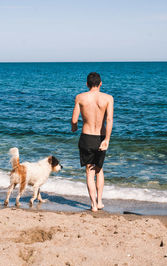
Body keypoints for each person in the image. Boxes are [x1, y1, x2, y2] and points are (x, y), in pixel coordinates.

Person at [71, 72, 114, 212]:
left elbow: (74, 120)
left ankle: (93, 205)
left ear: (87, 84)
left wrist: (74, 128)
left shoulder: (80, 97)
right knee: (99, 170)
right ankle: (100, 201)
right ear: (101, 83)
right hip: (100, 137)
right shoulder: (108, 98)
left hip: (86, 137)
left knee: (89, 172)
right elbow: (109, 120)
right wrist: (107, 139)